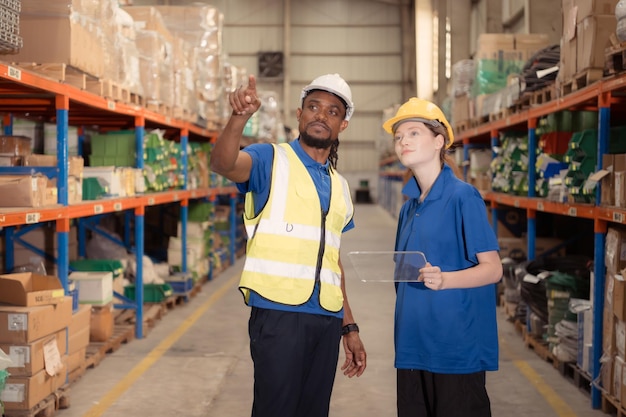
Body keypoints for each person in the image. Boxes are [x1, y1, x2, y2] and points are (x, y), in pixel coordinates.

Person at [210, 73, 367, 417]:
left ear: (343, 124)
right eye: (314, 106)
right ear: (299, 114)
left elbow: (331, 260)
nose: (321, 115)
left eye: (332, 111)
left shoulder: (339, 186)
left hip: (326, 318)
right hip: (279, 314)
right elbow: (223, 164)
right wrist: (239, 118)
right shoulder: (270, 159)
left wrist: (349, 326)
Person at [382, 97, 503, 417]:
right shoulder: (408, 207)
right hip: (411, 347)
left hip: (454, 350)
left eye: (413, 133)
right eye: (398, 136)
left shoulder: (463, 196)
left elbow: (493, 269)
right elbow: (404, 275)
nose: (403, 141)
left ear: (439, 141)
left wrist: (447, 279)